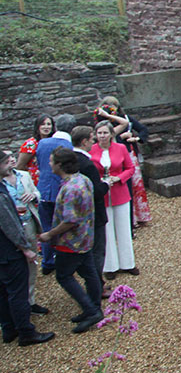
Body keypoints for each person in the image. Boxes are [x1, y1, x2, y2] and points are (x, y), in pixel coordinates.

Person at [37, 148, 102, 333]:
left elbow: (70, 220)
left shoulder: (70, 188)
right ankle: (94, 308)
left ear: (60, 165)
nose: (49, 165)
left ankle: (91, 311)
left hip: (71, 243)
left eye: (51, 162)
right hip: (86, 238)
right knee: (89, 273)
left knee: (63, 276)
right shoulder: (84, 180)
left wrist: (49, 234)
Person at [0, 150, 53, 346]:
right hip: (8, 252)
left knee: (4, 292)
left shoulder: (18, 179)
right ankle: (26, 332)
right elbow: (9, 224)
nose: (10, 163)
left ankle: (9, 328)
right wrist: (25, 249)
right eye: (5, 162)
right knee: (17, 292)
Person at [94, 96, 152, 227]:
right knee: (122, 187)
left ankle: (139, 216)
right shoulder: (102, 122)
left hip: (129, 153)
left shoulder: (125, 118)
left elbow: (143, 129)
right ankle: (128, 219)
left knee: (136, 186)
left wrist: (135, 138)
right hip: (114, 156)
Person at [90, 121, 136, 279]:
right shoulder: (91, 150)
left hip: (120, 192)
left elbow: (130, 168)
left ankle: (128, 263)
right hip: (102, 196)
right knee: (107, 231)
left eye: (104, 133)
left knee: (124, 228)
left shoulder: (121, 148)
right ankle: (110, 266)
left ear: (111, 134)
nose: (102, 136)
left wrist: (119, 178)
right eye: (99, 133)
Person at [70, 126, 108, 290]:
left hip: (78, 215)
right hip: (93, 215)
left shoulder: (70, 159)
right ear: (84, 141)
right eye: (92, 139)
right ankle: (97, 286)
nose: (94, 142)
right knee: (97, 252)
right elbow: (96, 191)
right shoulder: (87, 164)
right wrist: (106, 184)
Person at [34, 115, 73, 273]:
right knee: (62, 227)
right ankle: (64, 261)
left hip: (43, 190)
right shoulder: (68, 145)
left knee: (45, 227)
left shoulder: (42, 143)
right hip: (61, 191)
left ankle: (47, 263)